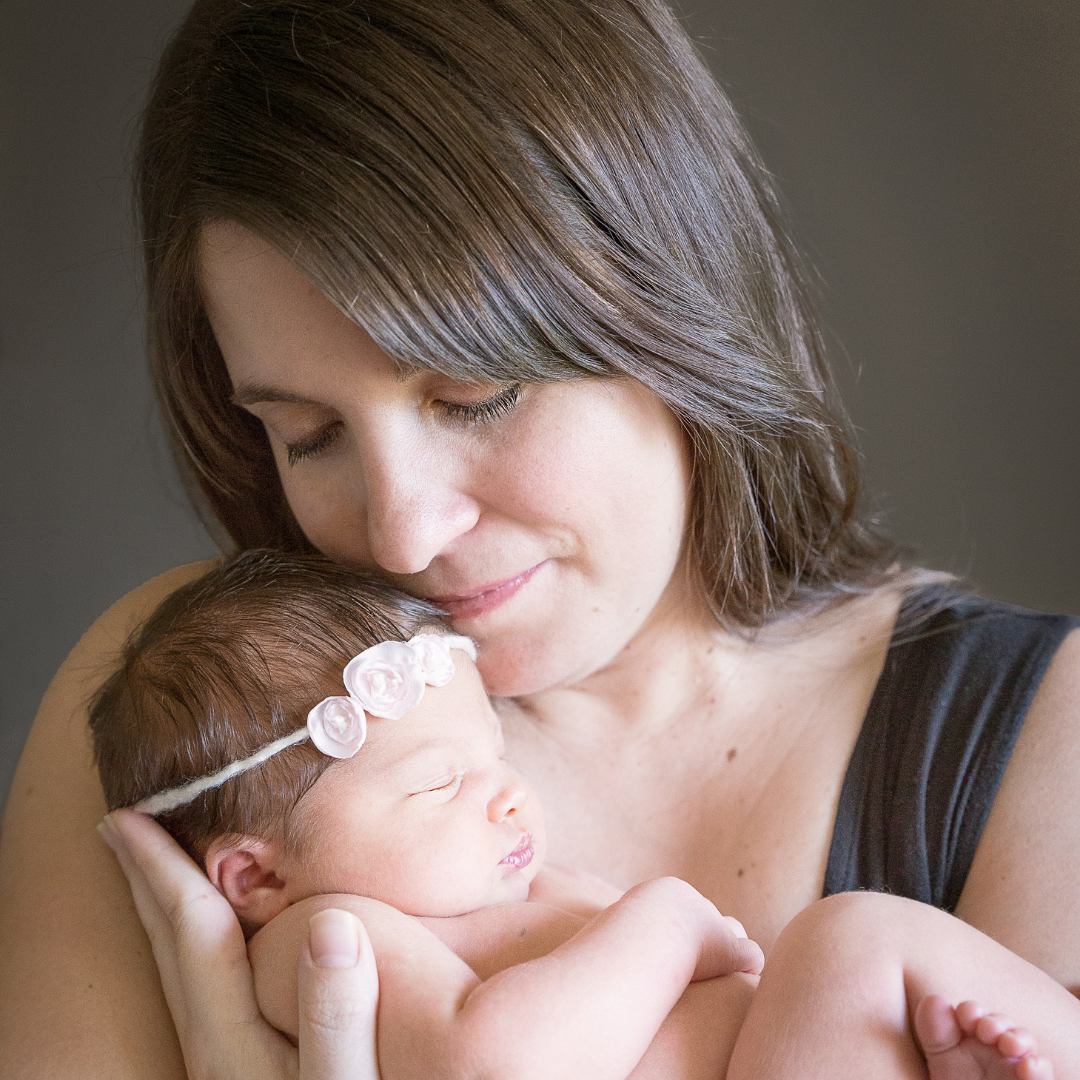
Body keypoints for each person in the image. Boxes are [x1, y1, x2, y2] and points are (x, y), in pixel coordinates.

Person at [1, 0, 1078, 1076]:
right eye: (310, 434)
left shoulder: (1037, 736)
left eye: (478, 395)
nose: (404, 534)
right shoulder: (206, 724)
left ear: (672, 308)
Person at [90, 550, 1067, 1078]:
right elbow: (497, 1063)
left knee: (861, 939)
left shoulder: (491, 893)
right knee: (842, 941)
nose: (508, 792)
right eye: (439, 783)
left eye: (495, 755)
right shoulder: (328, 936)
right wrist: (669, 919)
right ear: (257, 874)